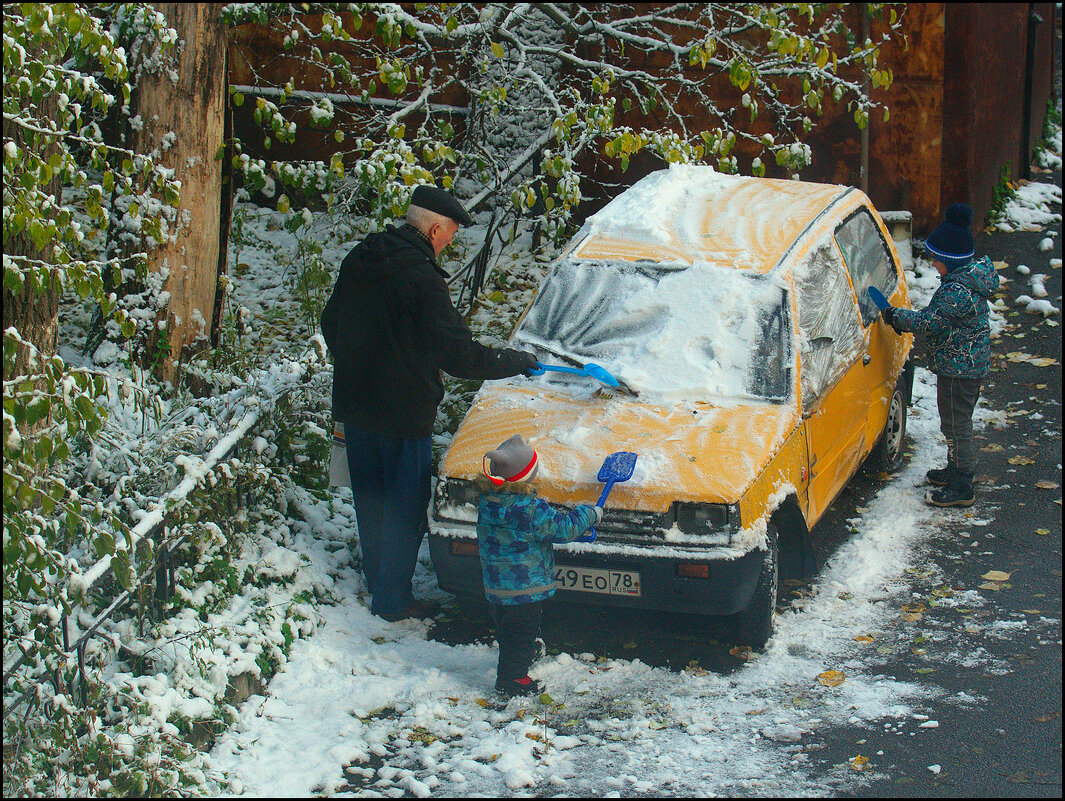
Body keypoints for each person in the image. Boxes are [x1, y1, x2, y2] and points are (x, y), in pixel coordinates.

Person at [320, 185, 539, 622]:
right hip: (403, 414)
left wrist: (357, 366)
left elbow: (330, 323)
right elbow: (456, 354)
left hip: (355, 405)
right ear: (434, 226)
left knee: (370, 497)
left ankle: (378, 581)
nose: (452, 241)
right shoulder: (421, 277)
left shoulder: (360, 258)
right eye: (452, 231)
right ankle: (393, 601)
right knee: (403, 507)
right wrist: (516, 361)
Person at [878, 202, 1000, 507]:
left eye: (935, 259)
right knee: (955, 422)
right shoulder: (962, 282)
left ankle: (963, 485)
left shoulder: (957, 292)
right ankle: (956, 470)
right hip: (962, 367)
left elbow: (928, 323)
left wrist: (894, 316)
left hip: (962, 371)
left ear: (951, 260)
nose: (932, 264)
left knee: (957, 427)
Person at [476, 434, 602, 698]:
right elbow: (564, 528)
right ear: (526, 477)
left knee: (507, 630)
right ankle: (513, 681)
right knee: (521, 633)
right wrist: (591, 513)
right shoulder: (530, 510)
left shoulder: (488, 504)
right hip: (525, 589)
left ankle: (520, 656)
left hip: (497, 587)